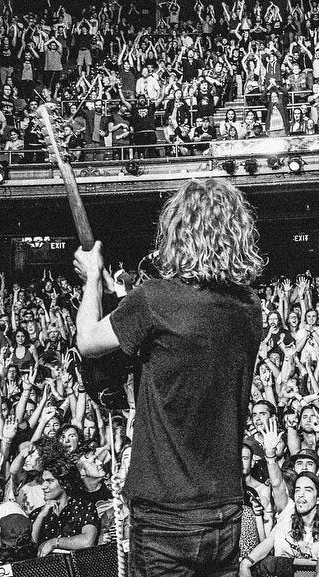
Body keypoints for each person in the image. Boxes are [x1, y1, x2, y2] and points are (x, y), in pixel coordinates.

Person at [74, 178, 266, 577]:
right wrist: (124, 299)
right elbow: (188, 329)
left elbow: (89, 342)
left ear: (177, 231)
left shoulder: (156, 297)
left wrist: (92, 278)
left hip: (166, 515)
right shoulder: (249, 306)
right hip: (225, 508)